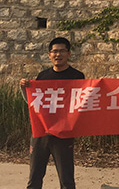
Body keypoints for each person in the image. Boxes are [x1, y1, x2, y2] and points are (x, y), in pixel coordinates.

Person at [20, 37, 85, 189]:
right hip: (41, 133)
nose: (58, 55)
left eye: (62, 51)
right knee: (34, 178)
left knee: (66, 180)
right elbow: (34, 104)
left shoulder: (77, 76)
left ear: (68, 54)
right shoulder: (42, 76)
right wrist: (24, 89)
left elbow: (82, 104)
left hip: (64, 134)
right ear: (49, 55)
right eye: (54, 51)